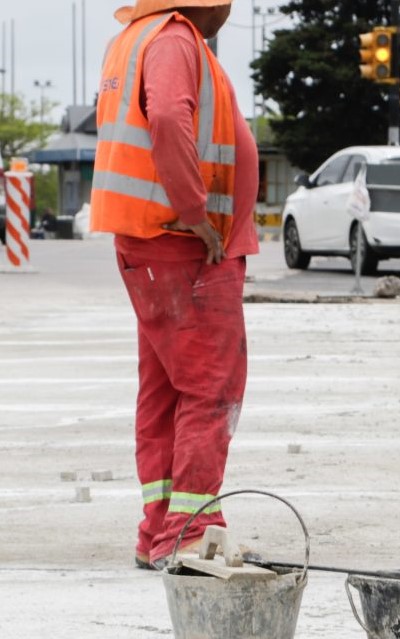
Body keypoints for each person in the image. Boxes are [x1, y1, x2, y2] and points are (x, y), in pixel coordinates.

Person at [90, 0, 259, 570]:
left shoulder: (140, 37)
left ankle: (161, 529)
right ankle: (190, 532)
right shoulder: (175, 39)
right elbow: (166, 119)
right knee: (213, 385)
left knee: (166, 388)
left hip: (155, 240)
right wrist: (194, 213)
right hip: (180, 243)